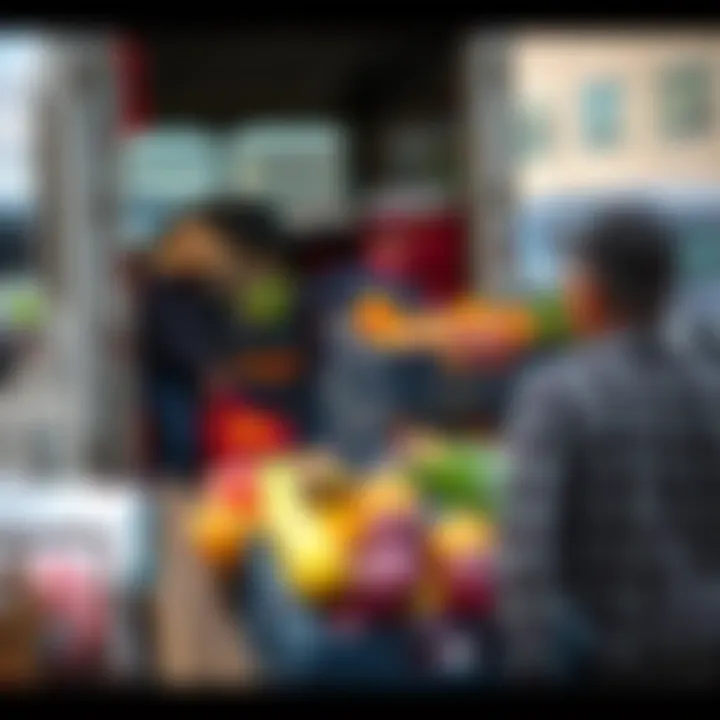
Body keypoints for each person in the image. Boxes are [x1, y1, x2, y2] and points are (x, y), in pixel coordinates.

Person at [499, 205, 720, 684]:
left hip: (617, 652)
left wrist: (528, 664)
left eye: (572, 278)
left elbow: (529, 559)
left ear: (591, 291)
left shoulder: (559, 396)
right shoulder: (710, 383)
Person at [138, 200, 248, 478]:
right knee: (181, 443)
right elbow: (177, 336)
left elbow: (210, 330)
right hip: (176, 377)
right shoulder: (168, 291)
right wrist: (208, 365)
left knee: (196, 442)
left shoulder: (200, 291)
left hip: (188, 376)